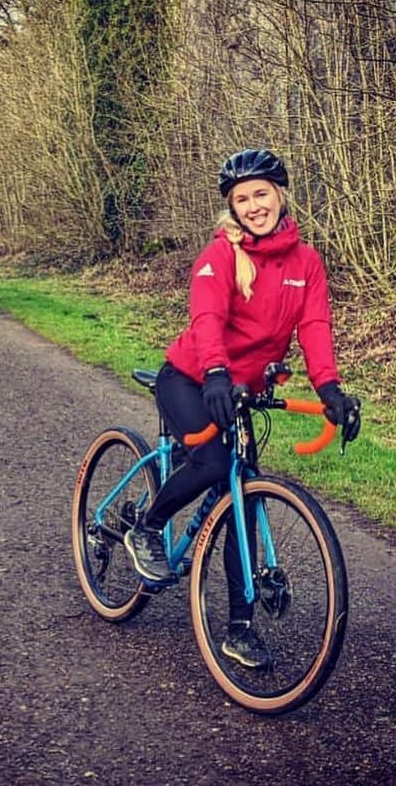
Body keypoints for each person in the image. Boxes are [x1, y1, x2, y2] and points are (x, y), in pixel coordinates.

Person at [123, 148, 360, 668]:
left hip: (240, 389)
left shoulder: (307, 262)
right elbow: (207, 317)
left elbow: (314, 328)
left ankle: (238, 630)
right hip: (191, 378)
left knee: (244, 500)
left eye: (261, 194)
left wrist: (330, 389)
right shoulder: (221, 256)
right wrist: (213, 371)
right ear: (232, 208)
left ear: (281, 195)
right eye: (242, 198)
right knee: (211, 462)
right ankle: (146, 525)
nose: (254, 205)